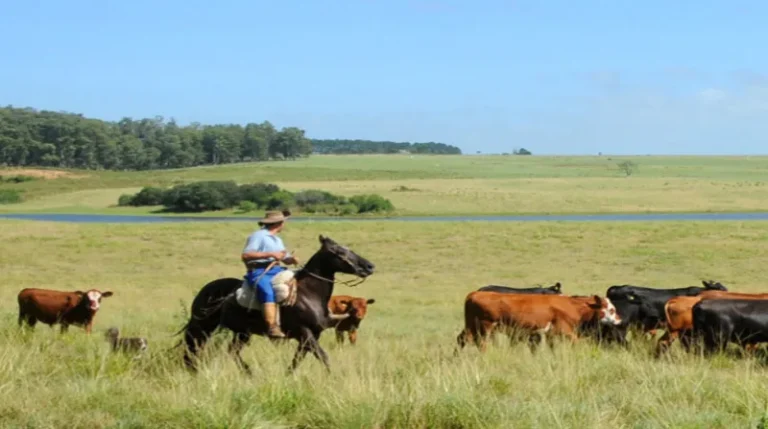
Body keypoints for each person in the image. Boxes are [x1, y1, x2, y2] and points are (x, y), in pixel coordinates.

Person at [241, 209, 299, 338]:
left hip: (277, 270)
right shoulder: (258, 236)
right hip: (260, 271)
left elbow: (284, 258)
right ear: (279, 223)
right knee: (267, 291)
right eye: (283, 222)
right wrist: (271, 254)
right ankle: (272, 327)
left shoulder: (277, 240)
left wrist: (291, 260)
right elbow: (246, 255)